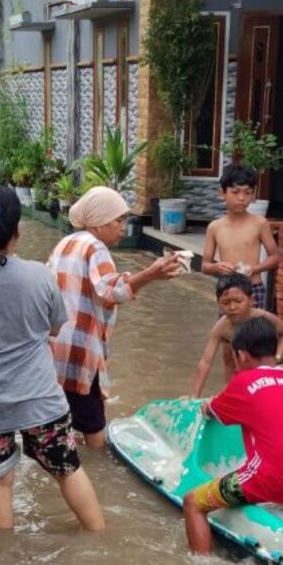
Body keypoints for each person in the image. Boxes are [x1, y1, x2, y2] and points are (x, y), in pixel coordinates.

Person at [0, 185, 105, 532]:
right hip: (39, 396)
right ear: (18, 230)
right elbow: (56, 327)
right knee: (67, 469)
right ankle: (100, 537)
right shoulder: (40, 275)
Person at [47, 186, 182, 448]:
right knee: (94, 424)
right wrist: (149, 274)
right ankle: (97, 476)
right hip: (82, 350)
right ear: (97, 222)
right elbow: (109, 291)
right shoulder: (96, 247)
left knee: (62, 419)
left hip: (55, 347)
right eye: (118, 220)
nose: (124, 227)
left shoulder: (65, 242)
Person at [183, 318, 283, 554]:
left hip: (277, 477)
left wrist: (206, 404)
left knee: (193, 502)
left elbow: (214, 410)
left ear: (241, 355)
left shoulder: (243, 381)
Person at [191, 272, 283, 396]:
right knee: (228, 359)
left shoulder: (263, 317)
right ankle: (232, 392)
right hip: (239, 358)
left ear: (251, 300)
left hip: (263, 362)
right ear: (218, 304)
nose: (232, 307)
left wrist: (278, 357)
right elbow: (205, 362)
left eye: (238, 301)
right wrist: (194, 396)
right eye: (226, 303)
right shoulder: (221, 328)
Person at [201, 164, 279, 311]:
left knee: (254, 332)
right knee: (228, 332)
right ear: (222, 193)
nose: (242, 198)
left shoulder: (259, 223)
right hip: (227, 289)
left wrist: (254, 269)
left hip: (253, 288)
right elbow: (205, 266)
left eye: (247, 193)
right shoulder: (214, 227)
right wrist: (218, 267)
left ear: (253, 194)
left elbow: (274, 257)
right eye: (235, 192)